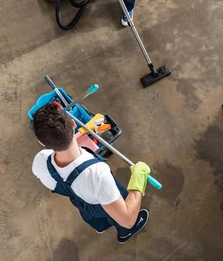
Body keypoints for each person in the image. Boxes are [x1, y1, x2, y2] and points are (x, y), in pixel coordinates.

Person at [31, 103, 150, 244]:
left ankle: (101, 226)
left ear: (41, 142)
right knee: (116, 210)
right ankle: (125, 234)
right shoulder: (97, 174)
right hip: (99, 202)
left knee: (91, 210)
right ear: (74, 124)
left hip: (81, 201)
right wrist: (139, 179)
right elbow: (127, 220)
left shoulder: (40, 161)